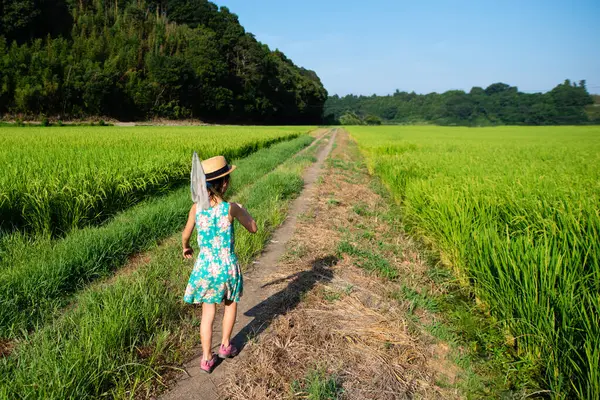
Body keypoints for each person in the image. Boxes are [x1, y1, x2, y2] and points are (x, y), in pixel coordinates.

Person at [181, 154, 257, 373]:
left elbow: (185, 235)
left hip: (205, 268)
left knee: (208, 312)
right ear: (224, 183)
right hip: (226, 266)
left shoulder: (196, 208)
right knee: (230, 303)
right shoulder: (231, 208)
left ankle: (206, 358)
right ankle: (225, 346)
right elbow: (253, 228)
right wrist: (242, 208)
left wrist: (186, 247)